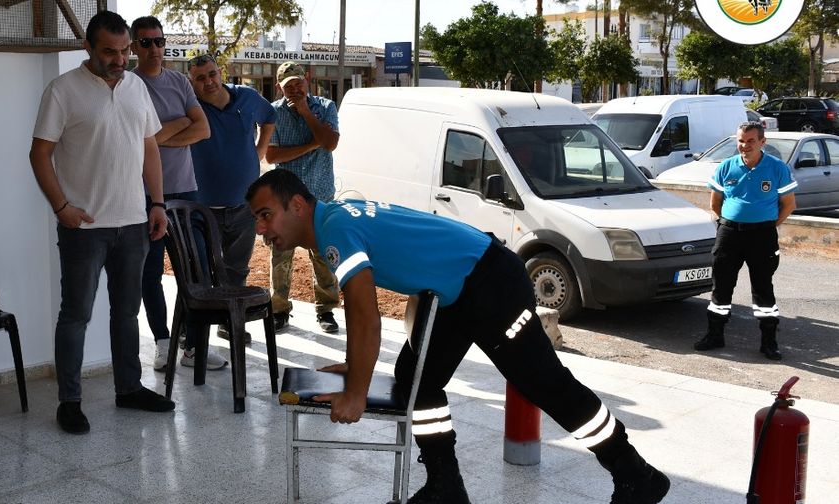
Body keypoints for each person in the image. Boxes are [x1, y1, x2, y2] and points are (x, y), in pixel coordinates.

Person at [246, 170, 670, 504]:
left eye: (266, 214)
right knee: (417, 376)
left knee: (547, 385)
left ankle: (635, 474)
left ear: (298, 204)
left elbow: (363, 314)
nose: (262, 229)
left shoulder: (334, 230)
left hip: (490, 282)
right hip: (458, 287)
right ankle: (445, 486)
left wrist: (356, 391)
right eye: (256, 220)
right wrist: (358, 367)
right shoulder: (335, 218)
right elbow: (368, 310)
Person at [29, 10, 175, 435]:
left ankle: (128, 389)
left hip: (132, 222)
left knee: (127, 313)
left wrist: (158, 203)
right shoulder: (62, 90)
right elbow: (39, 154)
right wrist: (61, 207)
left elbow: (149, 148)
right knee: (75, 315)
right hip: (83, 227)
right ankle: (69, 402)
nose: (121, 59)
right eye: (110, 52)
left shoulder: (135, 88)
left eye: (126, 50)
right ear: (87, 48)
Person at [130, 16, 227, 372]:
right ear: (133, 46)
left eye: (158, 41)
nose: (154, 49)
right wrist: (176, 126)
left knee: (196, 270)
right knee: (149, 273)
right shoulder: (128, 85)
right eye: (145, 43)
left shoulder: (180, 82)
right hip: (144, 194)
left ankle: (194, 345)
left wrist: (156, 136)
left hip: (186, 191)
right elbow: (137, 139)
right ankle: (162, 341)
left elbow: (201, 129)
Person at [187, 53, 276, 345]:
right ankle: (194, 334)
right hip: (200, 209)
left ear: (220, 73)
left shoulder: (247, 98)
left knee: (236, 269)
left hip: (243, 206)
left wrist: (260, 150)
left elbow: (270, 118)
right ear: (192, 81)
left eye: (212, 74)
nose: (208, 81)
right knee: (198, 272)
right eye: (200, 78)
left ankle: (229, 321)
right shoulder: (190, 105)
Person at [694, 121, 797, 360]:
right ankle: (714, 335)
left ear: (763, 142)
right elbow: (715, 203)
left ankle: (769, 342)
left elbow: (789, 205)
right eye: (741, 140)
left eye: (751, 141)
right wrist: (729, 223)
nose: (744, 145)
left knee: (763, 289)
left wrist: (768, 225)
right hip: (729, 233)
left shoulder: (777, 168)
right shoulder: (726, 167)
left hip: (762, 235)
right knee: (721, 286)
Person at [264, 61, 341, 334]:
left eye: (298, 83)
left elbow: (330, 143)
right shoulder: (273, 113)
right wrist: (311, 145)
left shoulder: (325, 107)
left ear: (307, 79)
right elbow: (272, 156)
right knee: (281, 256)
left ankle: (326, 310)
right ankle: (278, 310)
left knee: (323, 256)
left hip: (319, 197)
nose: (295, 89)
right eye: (288, 86)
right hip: (284, 199)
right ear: (279, 87)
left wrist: (306, 112)